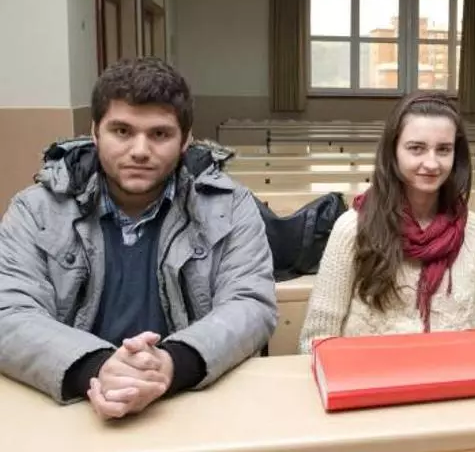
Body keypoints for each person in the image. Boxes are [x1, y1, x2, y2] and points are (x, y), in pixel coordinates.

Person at [0, 57, 277, 418]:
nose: (140, 150)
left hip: (189, 404)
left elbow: (250, 304)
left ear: (185, 140)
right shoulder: (35, 209)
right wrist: (97, 368)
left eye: (160, 134)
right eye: (122, 131)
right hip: (73, 407)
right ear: (95, 132)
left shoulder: (230, 206)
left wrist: (171, 364)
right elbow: (10, 312)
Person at [298, 92, 475, 353]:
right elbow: (316, 340)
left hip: (453, 372)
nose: (431, 163)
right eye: (416, 148)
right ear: (393, 152)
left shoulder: (474, 230)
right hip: (368, 374)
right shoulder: (352, 228)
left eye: (444, 150)